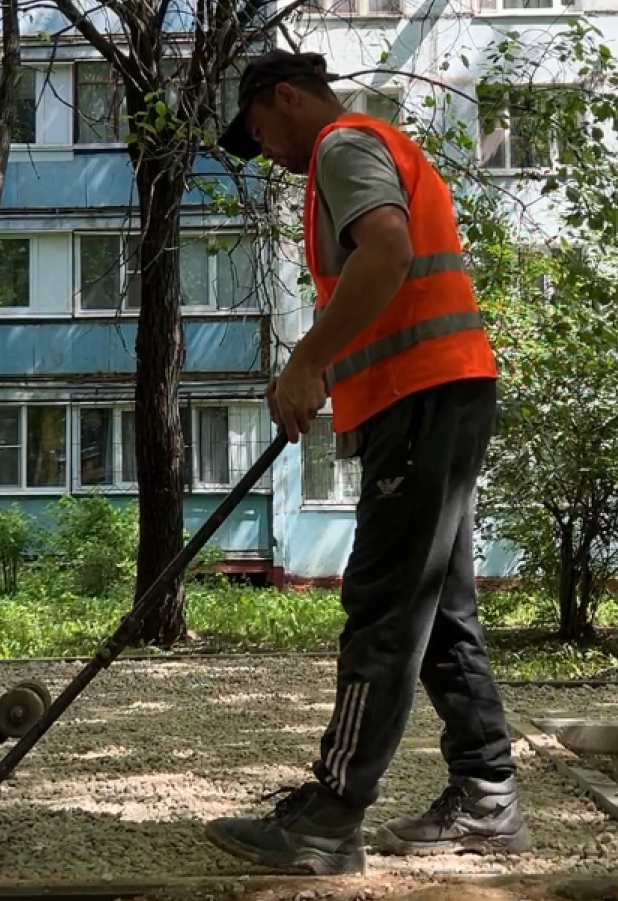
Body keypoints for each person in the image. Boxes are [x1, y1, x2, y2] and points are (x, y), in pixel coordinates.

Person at [201, 50, 526, 875]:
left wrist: (305, 361)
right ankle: (487, 794)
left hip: (421, 398)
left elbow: (386, 252)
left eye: (260, 130)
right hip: (433, 396)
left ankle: (329, 815)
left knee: (382, 603)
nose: (265, 149)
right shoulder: (362, 146)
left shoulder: (344, 145)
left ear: (284, 98)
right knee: (439, 605)